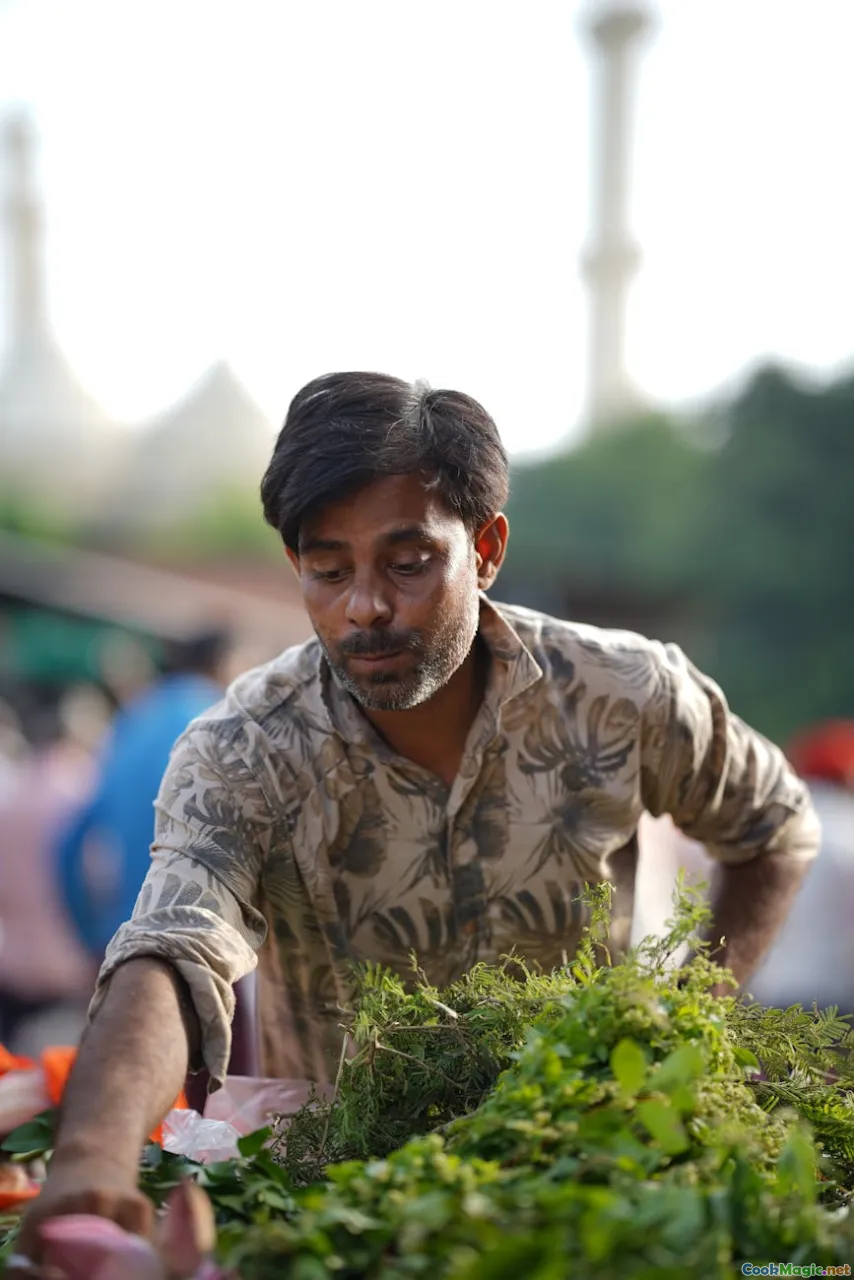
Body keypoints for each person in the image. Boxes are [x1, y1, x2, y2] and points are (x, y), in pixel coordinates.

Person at [13, 372, 820, 1265]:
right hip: (339, 1203)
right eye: (328, 570)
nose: (365, 606)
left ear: (486, 548)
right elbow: (173, 952)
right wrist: (92, 1158)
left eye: (407, 563)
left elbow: (775, 825)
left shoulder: (622, 695)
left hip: (595, 1175)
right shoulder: (243, 748)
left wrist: (685, 1023)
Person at [54, 629, 231, 961]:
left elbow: (69, 844)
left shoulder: (134, 718)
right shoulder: (220, 721)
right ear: (222, 665)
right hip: (193, 949)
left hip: (121, 940)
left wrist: (89, 935)